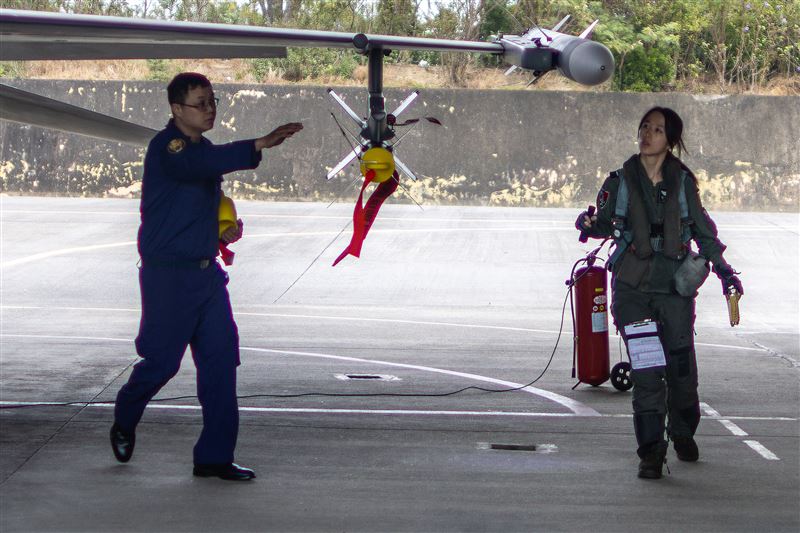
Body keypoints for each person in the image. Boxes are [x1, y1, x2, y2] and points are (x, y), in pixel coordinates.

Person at [110, 72, 303, 481]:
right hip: (169, 280)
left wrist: (224, 228)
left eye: (213, 101)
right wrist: (257, 144)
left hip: (206, 278)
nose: (210, 108)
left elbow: (211, 199)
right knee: (161, 364)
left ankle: (214, 457)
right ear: (177, 109)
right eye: (201, 103)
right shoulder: (171, 148)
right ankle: (126, 413)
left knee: (220, 362)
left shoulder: (204, 148)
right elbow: (198, 167)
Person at [576, 107, 743, 479]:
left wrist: (725, 272)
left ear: (671, 140)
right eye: (645, 127)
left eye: (657, 130)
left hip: (674, 289)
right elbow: (603, 223)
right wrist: (587, 224)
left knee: (681, 368)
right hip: (633, 289)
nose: (647, 134)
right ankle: (651, 452)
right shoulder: (617, 182)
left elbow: (704, 232)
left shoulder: (683, 185)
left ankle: (683, 432)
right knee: (648, 371)